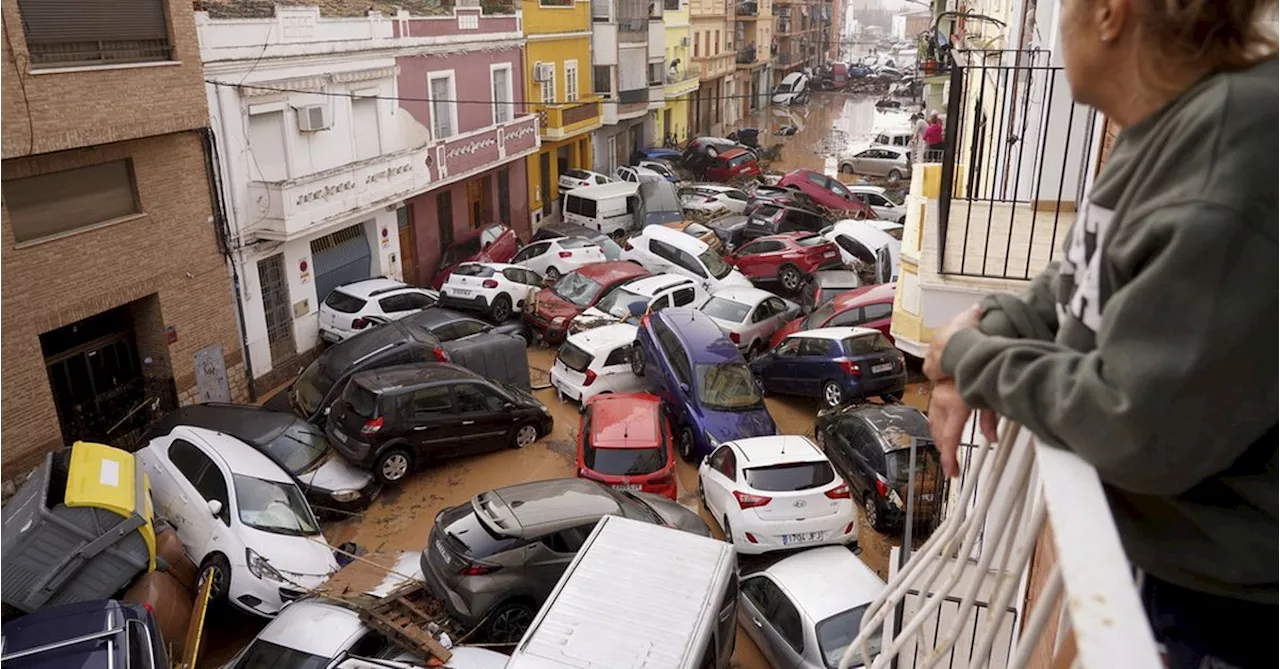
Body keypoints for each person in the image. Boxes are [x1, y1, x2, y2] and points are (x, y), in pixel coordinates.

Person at [921, 1, 1280, 668]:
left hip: (1239, 617)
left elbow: (1137, 425)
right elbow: (1075, 280)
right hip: (1186, 575)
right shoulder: (1165, 126)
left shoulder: (1230, 152)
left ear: (1111, 14)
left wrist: (970, 356)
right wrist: (987, 334)